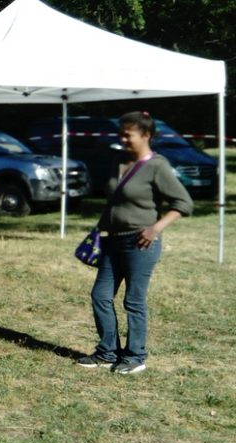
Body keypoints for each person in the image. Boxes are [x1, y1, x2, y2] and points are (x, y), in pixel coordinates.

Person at [75, 111, 192, 375]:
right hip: (112, 241)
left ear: (146, 135)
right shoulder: (119, 160)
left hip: (140, 243)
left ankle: (135, 356)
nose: (123, 139)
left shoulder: (157, 166)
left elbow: (183, 203)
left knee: (133, 300)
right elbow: (114, 200)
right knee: (100, 295)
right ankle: (107, 352)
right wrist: (101, 231)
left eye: (129, 134)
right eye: (122, 134)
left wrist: (155, 228)